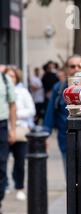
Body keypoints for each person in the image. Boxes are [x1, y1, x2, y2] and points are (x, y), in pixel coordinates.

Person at [43, 55, 81, 175]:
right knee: (70, 176)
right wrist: (45, 135)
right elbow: (50, 113)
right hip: (66, 140)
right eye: (72, 66)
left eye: (79, 66)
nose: (76, 69)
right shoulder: (59, 88)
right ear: (66, 69)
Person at [4, 67, 36, 201]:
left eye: (13, 76)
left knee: (20, 161)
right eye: (7, 76)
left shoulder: (22, 92)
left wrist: (15, 115)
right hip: (4, 129)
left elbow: (31, 110)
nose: (10, 79)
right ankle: (4, 185)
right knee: (2, 161)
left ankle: (19, 187)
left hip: (19, 131)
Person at [0, 67, 17, 214]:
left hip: (2, 126)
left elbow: (12, 105)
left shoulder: (5, 80)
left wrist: (13, 129)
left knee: (1, 164)